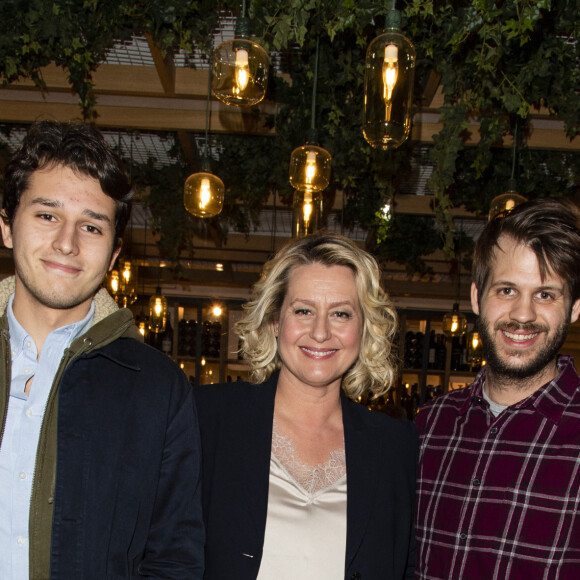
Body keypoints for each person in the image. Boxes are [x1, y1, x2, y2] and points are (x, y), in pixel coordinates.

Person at [0, 120, 204, 579]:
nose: (66, 243)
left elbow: (174, 558)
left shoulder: (158, 389)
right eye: (47, 215)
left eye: (91, 227)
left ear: (113, 256)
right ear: (7, 227)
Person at [194, 233, 417, 579]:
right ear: (274, 320)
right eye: (303, 310)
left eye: (341, 314)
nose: (320, 332)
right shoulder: (208, 420)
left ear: (364, 329)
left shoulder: (395, 447)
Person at [415, 198, 580, 579]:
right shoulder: (431, 424)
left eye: (545, 294)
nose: (523, 314)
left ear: (573, 308)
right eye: (507, 290)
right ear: (477, 297)